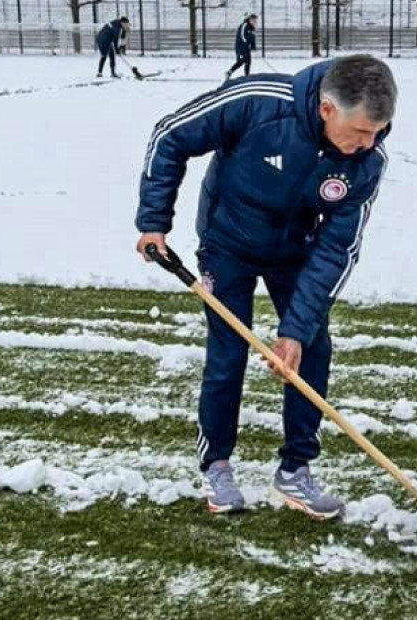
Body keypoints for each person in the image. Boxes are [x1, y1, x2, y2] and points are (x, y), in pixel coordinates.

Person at [135, 55, 397, 519]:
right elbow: (169, 137)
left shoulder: (366, 162)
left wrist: (294, 330)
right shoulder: (259, 102)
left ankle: (295, 470)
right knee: (229, 350)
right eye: (359, 132)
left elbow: (337, 249)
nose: (368, 144)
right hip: (225, 244)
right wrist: (154, 222)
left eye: (378, 131)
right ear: (326, 109)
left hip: (295, 251)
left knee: (311, 349)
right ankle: (216, 463)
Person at [224, 14, 258, 82]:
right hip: (240, 47)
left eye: (255, 20)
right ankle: (229, 72)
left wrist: (253, 46)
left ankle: (247, 76)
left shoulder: (252, 28)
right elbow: (242, 36)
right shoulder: (244, 25)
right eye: (253, 20)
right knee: (241, 61)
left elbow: (252, 38)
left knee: (248, 61)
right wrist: (246, 43)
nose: (254, 22)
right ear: (249, 19)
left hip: (247, 48)